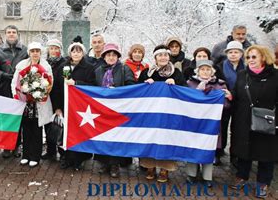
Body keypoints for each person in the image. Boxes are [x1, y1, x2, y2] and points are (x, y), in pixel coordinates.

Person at [229, 45, 278, 198]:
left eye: (254, 57)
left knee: (267, 153)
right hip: (244, 119)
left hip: (267, 120)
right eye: (248, 57)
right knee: (244, 150)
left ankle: (263, 183)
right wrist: (230, 96)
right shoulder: (243, 74)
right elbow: (236, 94)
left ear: (263, 57)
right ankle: (242, 177)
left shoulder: (275, 75)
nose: (250, 60)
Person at [138, 44, 186, 183]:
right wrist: (145, 83)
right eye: (160, 55)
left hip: (169, 114)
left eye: (165, 55)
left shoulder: (176, 72)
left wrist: (175, 83)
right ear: (155, 58)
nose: (163, 57)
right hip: (151, 114)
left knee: (167, 139)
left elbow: (184, 90)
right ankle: (149, 166)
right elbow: (138, 90)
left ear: (169, 56)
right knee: (150, 138)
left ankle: (165, 169)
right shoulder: (147, 72)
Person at [185, 60, 232, 187]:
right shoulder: (190, 84)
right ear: (197, 71)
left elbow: (226, 106)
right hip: (194, 123)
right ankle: (192, 174)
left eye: (208, 69)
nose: (205, 72)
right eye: (202, 69)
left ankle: (207, 176)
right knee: (193, 147)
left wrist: (228, 98)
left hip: (211, 124)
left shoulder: (220, 85)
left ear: (212, 71)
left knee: (209, 147)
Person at [94, 43, 135, 178]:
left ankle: (114, 165)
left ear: (117, 56)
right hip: (102, 109)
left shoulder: (124, 69)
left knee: (116, 137)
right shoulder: (98, 70)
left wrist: (117, 91)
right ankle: (104, 162)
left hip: (119, 109)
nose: (111, 57)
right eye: (108, 55)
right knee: (103, 135)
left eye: (113, 55)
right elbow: (93, 87)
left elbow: (131, 86)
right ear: (104, 57)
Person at [12, 42, 53, 167]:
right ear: (29, 52)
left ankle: (35, 156)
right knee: (26, 129)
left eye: (37, 51)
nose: (35, 53)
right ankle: (26, 155)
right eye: (33, 51)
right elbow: (15, 82)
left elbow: (50, 83)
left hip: (39, 102)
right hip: (25, 102)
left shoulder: (46, 66)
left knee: (37, 130)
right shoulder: (21, 65)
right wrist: (18, 94)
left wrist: (39, 93)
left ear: (41, 53)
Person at [0, 25, 28, 158]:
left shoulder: (24, 49)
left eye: (14, 32)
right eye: (9, 32)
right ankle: (7, 146)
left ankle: (17, 145)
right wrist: (4, 76)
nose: (11, 34)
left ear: (18, 34)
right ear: (5, 34)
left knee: (19, 118)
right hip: (5, 87)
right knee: (7, 118)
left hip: (20, 89)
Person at [60, 42, 96, 170]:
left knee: (79, 132)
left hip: (81, 106)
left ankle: (78, 158)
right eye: (73, 51)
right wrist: (58, 107)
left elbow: (92, 85)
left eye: (79, 51)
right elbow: (58, 88)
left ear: (83, 53)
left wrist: (76, 83)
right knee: (67, 131)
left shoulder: (89, 67)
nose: (76, 54)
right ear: (70, 53)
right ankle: (65, 157)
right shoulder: (63, 66)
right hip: (66, 104)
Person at [216, 41, 245, 165]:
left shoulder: (246, 67)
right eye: (230, 52)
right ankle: (219, 151)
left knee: (237, 128)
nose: (233, 55)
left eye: (236, 52)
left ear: (241, 54)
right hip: (225, 100)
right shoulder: (221, 66)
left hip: (241, 101)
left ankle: (235, 154)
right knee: (222, 126)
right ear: (227, 53)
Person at [42, 39, 66, 161]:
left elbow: (63, 86)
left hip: (59, 99)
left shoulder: (65, 63)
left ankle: (62, 152)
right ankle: (50, 151)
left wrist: (59, 106)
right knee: (48, 126)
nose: (54, 50)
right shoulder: (45, 63)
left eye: (56, 48)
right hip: (46, 99)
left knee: (60, 126)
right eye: (51, 48)